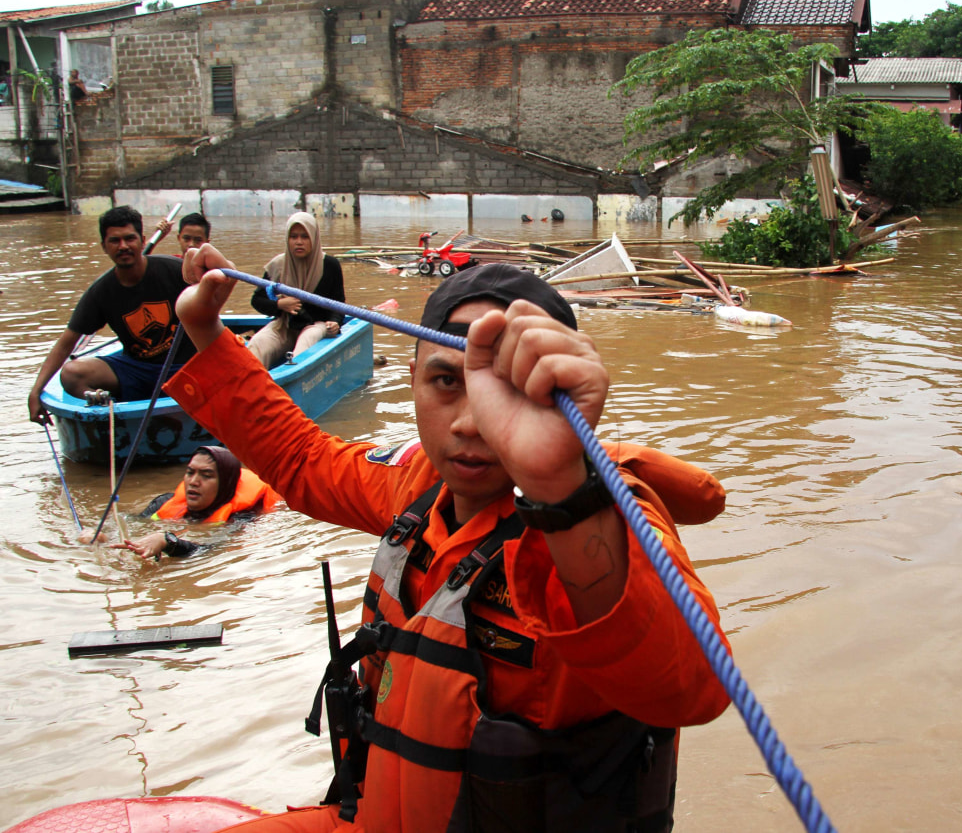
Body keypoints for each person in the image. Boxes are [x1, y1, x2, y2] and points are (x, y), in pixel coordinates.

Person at [164, 252, 731, 832]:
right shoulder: (417, 484)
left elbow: (692, 690)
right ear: (411, 382)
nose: (471, 422)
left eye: (508, 391)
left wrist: (561, 488)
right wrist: (205, 333)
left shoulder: (602, 512)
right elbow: (303, 459)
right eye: (445, 382)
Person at [28, 205, 196, 424]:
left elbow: (213, 302)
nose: (123, 246)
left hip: (186, 366)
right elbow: (66, 343)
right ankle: (113, 411)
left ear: (142, 240)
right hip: (138, 369)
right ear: (104, 247)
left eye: (129, 239)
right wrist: (36, 390)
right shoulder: (101, 292)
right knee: (71, 373)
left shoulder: (175, 270)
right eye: (115, 241)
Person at [115, 445, 283, 559]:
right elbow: (127, 523)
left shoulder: (241, 519)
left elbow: (210, 552)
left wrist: (167, 541)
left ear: (226, 483)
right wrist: (100, 538)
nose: (194, 481)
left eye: (206, 475)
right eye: (190, 472)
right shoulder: (164, 502)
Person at [247, 213, 345, 368]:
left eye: (305, 237)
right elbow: (257, 300)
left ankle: (293, 381)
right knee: (257, 344)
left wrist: (335, 322)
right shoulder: (278, 265)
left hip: (316, 325)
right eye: (293, 237)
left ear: (314, 238)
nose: (299, 242)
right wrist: (280, 304)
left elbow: (338, 303)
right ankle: (252, 386)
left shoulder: (329, 265)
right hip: (285, 325)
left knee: (306, 343)